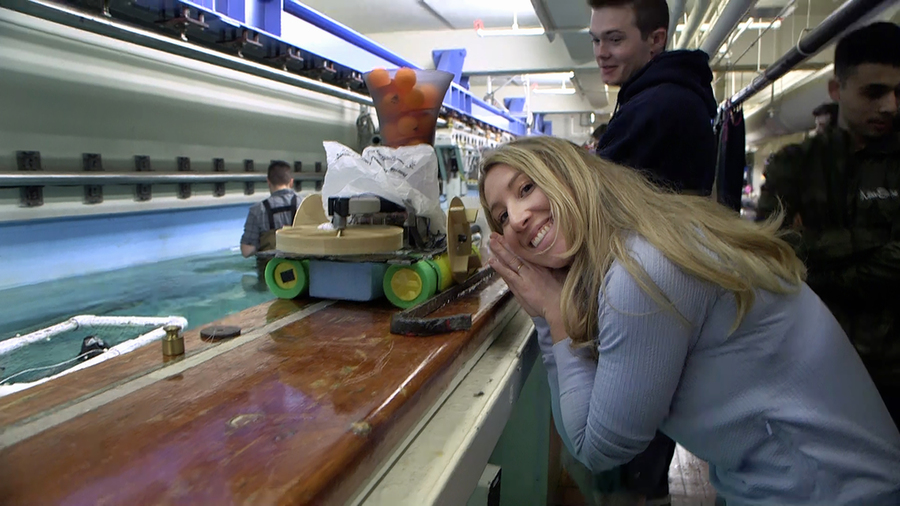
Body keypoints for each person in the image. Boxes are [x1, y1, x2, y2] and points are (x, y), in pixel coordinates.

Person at [479, 136, 900, 505]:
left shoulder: (640, 273)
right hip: (803, 478)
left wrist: (551, 315)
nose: (516, 218)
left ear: (571, 176)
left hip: (824, 490)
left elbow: (595, 448)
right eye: (501, 216)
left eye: (527, 187)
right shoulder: (650, 235)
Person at [756, 22, 900, 428]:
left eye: (898, 93)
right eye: (874, 93)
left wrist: (815, 250)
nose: (889, 106)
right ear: (837, 90)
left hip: (891, 374)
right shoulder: (795, 166)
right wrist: (879, 244)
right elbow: (774, 258)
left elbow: (799, 255)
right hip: (813, 366)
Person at [590, 0, 717, 195]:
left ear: (656, 40)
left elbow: (599, 200)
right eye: (596, 40)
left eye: (615, 40)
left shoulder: (656, 109)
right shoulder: (668, 97)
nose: (601, 53)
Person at [240, 161, 298, 259]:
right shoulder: (304, 205)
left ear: (268, 182)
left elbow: (246, 251)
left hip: (271, 270)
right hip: (302, 269)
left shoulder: (257, 210)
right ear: (291, 182)